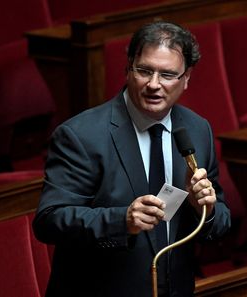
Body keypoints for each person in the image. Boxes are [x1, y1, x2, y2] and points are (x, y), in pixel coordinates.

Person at [32, 20, 231, 297]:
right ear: (128, 68)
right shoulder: (81, 135)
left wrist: (202, 209)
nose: (153, 85)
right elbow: (50, 221)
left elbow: (220, 222)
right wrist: (121, 220)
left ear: (186, 79)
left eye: (167, 75)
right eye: (144, 70)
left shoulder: (198, 130)